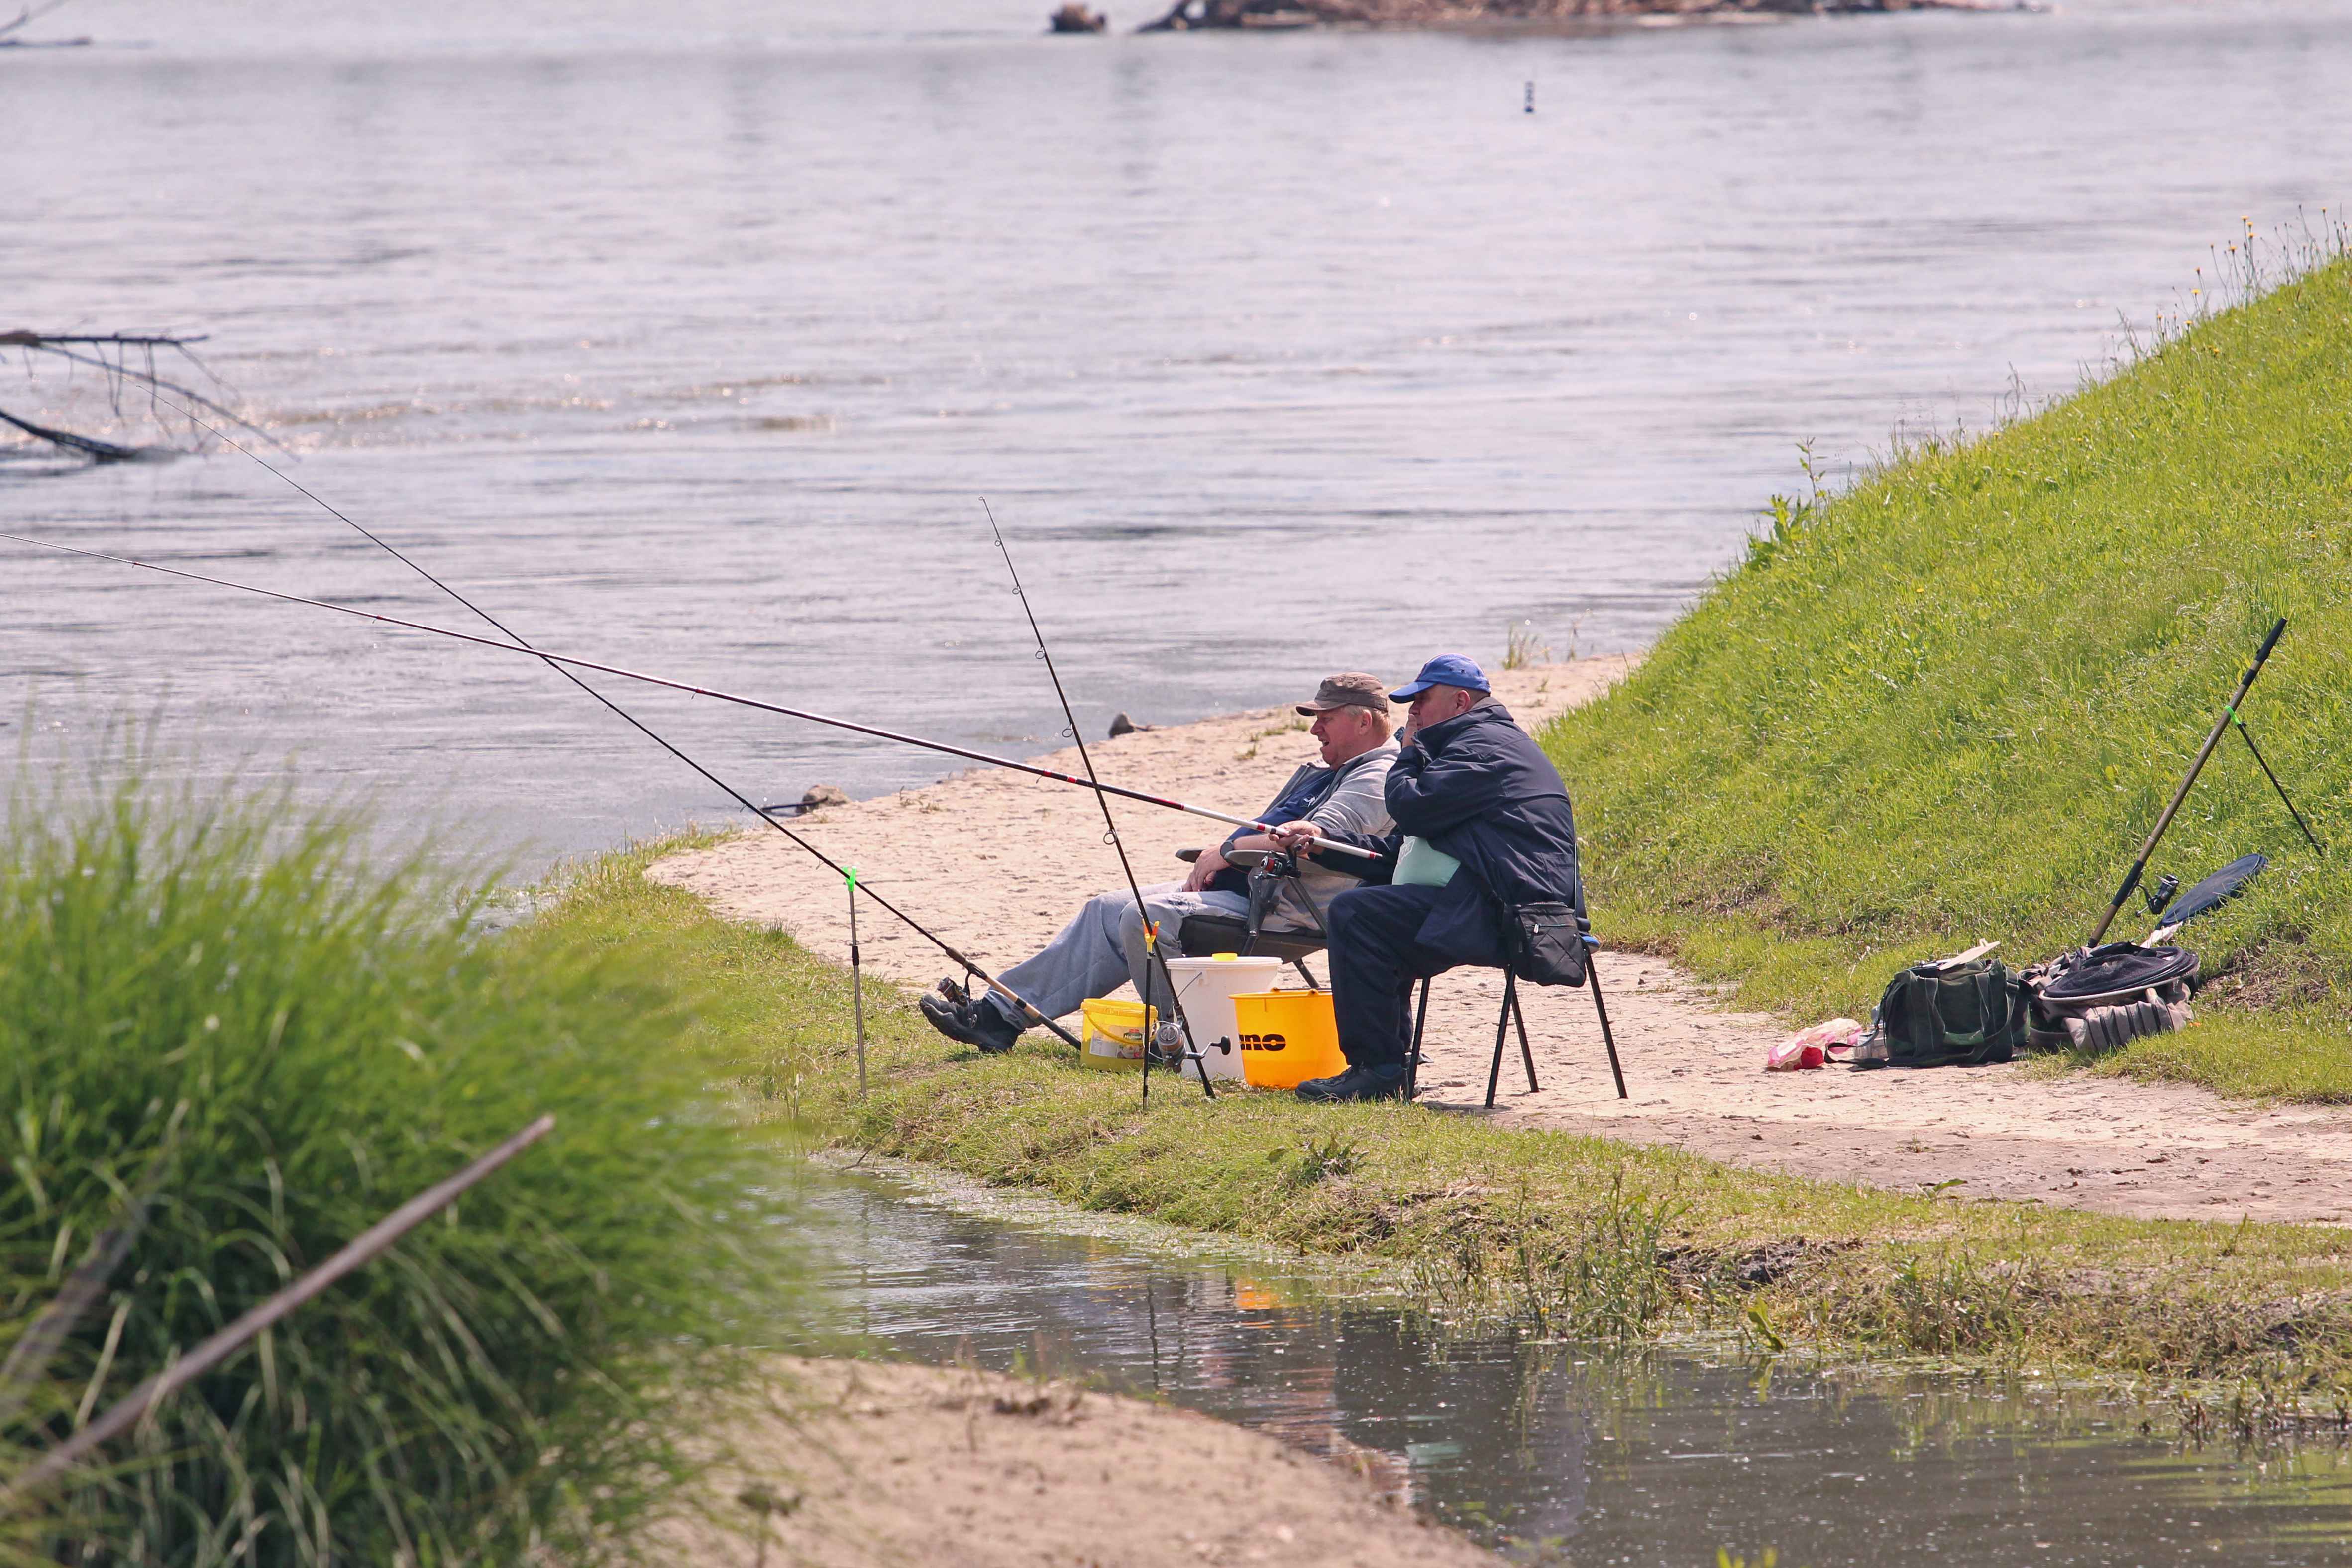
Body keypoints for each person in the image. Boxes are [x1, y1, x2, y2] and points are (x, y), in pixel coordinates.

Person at [919, 672, 1401, 1054]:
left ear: (1363, 721)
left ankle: (1177, 1042)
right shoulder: (1336, 769)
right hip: (1245, 890)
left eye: (1326, 718)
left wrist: (1226, 853)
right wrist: (1223, 857)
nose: (1314, 728)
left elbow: (1308, 842)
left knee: (1145, 918)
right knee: (1105, 908)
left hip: (1285, 909)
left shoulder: (1374, 775)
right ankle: (1000, 1016)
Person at [1268, 654, 1579, 1103]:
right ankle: (1392, 1062)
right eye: (1410, 703)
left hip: (1517, 914)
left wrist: (1409, 750)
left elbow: (1409, 807)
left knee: (1359, 913)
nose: (1412, 712)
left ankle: (1377, 1069)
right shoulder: (1469, 745)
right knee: (1373, 902)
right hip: (1482, 896)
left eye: (1421, 701)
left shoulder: (1484, 748)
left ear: (1460, 700)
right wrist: (1324, 840)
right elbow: (1406, 849)